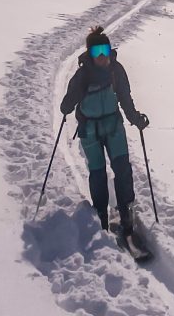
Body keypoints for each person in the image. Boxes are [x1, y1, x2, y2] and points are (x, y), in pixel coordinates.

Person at [60, 25, 150, 234]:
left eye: (105, 51)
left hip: (113, 126)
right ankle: (101, 213)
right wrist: (67, 105)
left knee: (122, 168)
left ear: (110, 51)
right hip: (90, 130)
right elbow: (68, 103)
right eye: (96, 52)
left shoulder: (116, 71)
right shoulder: (83, 75)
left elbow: (125, 99)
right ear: (90, 54)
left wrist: (135, 119)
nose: (101, 56)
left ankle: (126, 210)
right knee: (98, 172)